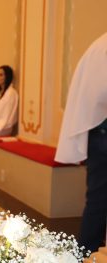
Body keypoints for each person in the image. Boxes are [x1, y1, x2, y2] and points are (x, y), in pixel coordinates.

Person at [55, 32, 107, 253]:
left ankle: (86, 252)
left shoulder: (98, 45)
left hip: (97, 134)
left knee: (96, 199)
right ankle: (87, 252)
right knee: (97, 200)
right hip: (103, 134)